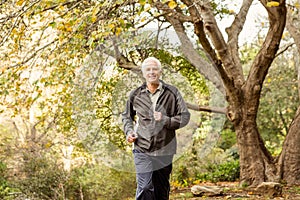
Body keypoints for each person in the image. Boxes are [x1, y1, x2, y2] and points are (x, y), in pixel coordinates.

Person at [122, 56, 191, 200]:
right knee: (145, 187)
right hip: (142, 148)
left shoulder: (172, 92)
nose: (151, 72)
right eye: (148, 69)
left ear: (160, 72)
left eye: (155, 69)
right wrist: (129, 132)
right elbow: (127, 117)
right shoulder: (135, 94)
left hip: (165, 149)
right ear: (143, 73)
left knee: (161, 190)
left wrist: (165, 120)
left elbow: (184, 117)